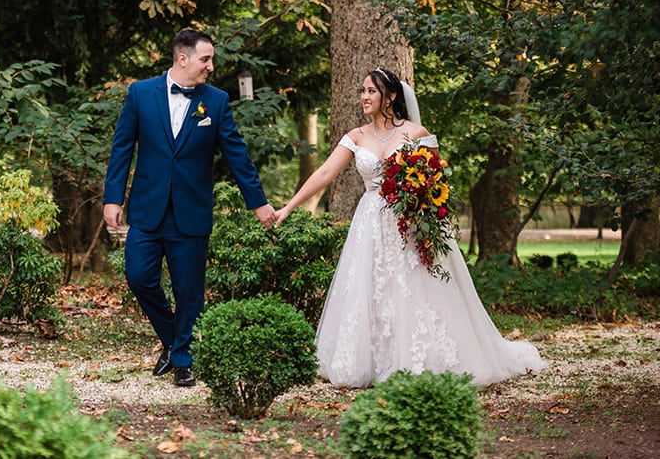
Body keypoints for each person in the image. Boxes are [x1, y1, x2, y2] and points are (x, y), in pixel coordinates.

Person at [273, 68, 546, 388]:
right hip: (370, 222)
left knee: (414, 288)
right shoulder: (357, 136)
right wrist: (287, 208)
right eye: (362, 91)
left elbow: (436, 178)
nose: (363, 97)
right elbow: (324, 174)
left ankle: (419, 359)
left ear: (390, 96)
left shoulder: (416, 133)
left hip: (409, 222)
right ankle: (372, 360)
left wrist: (422, 208)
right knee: (371, 288)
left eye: (371, 91)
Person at [103, 29, 276, 387]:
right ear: (183, 58)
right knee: (138, 276)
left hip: (191, 211)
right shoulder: (140, 94)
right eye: (206, 59)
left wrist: (258, 203)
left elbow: (237, 155)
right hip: (148, 208)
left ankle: (183, 359)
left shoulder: (215, 101)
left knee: (188, 290)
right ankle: (172, 339)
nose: (211, 66)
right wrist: (112, 198)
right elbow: (122, 148)